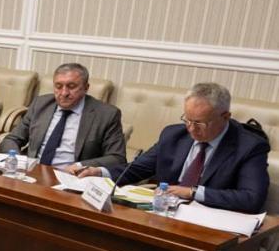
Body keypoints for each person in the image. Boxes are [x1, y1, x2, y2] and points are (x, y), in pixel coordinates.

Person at [79, 82, 269, 213]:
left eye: (200, 123)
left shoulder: (250, 146)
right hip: (164, 213)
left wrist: (193, 192)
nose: (191, 129)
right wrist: (100, 172)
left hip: (209, 220)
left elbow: (251, 198)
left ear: (225, 117)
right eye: (187, 119)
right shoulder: (173, 135)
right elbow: (137, 169)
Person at [0, 63, 126, 170]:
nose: (64, 93)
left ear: (86, 88)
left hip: (73, 178)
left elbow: (117, 158)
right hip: (33, 172)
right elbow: (12, 139)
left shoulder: (106, 114)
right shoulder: (40, 104)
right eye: (58, 86)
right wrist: (18, 161)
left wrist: (80, 166)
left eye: (71, 86)